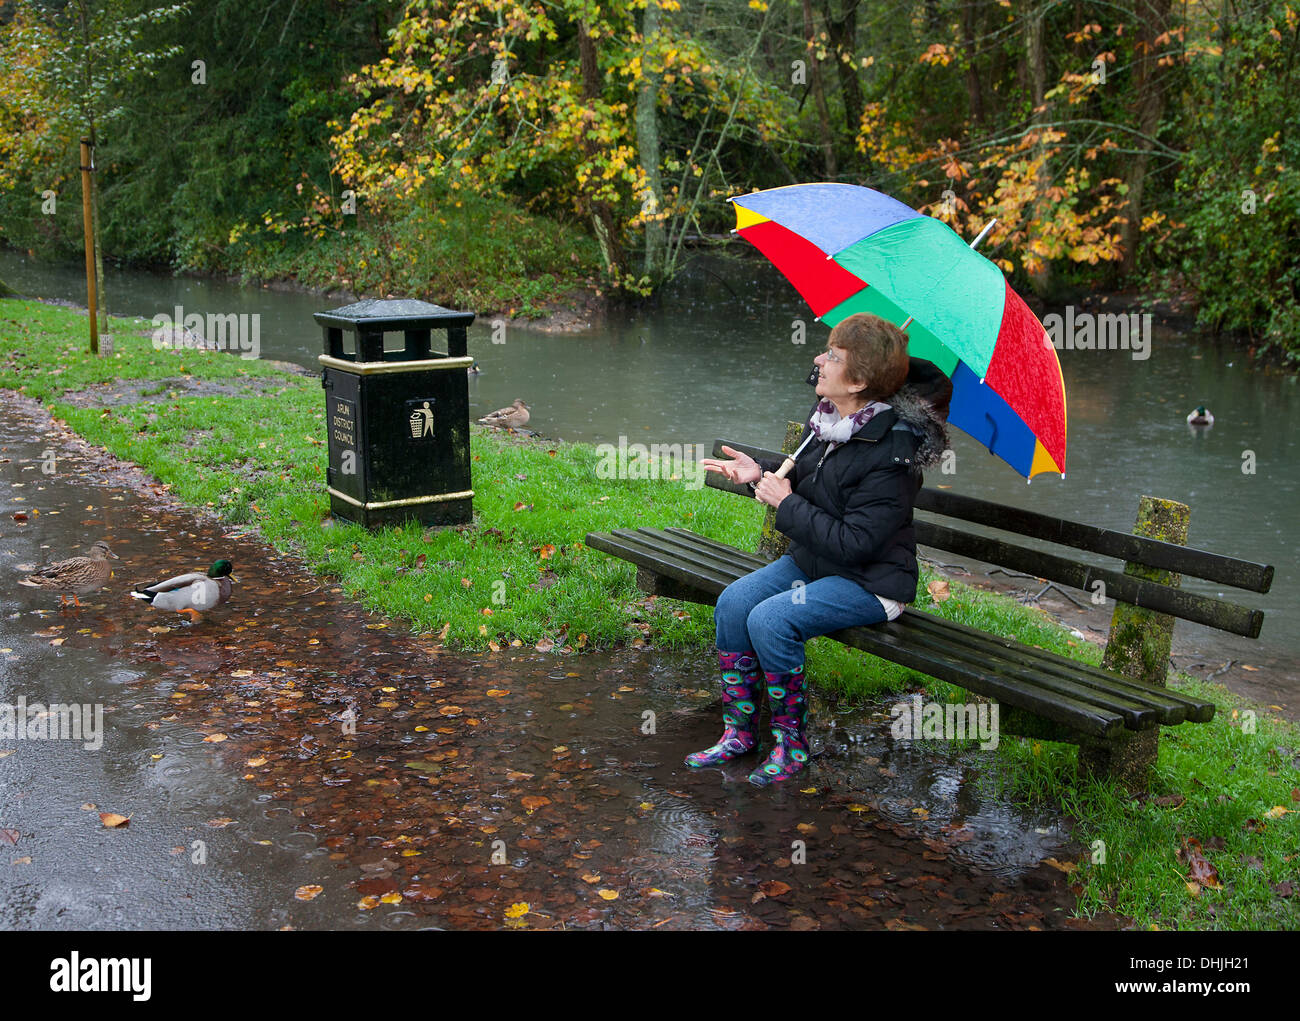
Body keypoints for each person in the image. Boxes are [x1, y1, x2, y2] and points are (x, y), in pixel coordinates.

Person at [691, 312, 953, 786]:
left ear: (857, 381)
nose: (819, 359)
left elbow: (856, 544)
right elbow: (820, 481)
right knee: (734, 604)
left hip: (870, 581)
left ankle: (792, 747)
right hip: (815, 564)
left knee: (771, 618)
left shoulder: (892, 453)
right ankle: (740, 732)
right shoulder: (832, 422)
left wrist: (787, 504)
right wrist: (763, 471)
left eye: (832, 355)